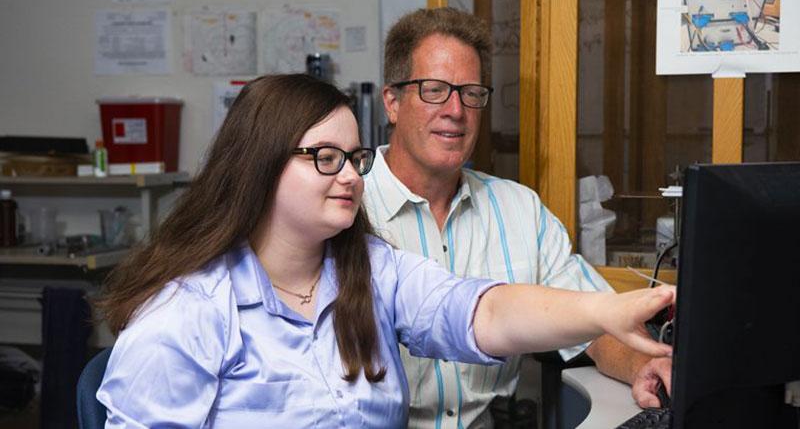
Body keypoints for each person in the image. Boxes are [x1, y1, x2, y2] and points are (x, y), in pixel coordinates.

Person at [93, 74, 673, 428]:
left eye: (354, 157)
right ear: (260, 166)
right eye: (325, 157)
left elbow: (485, 313)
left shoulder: (369, 269)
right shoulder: (188, 311)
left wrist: (604, 311)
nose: (348, 175)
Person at [364, 7, 673, 428]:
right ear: (392, 102)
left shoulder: (518, 210)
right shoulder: (345, 206)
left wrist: (642, 366)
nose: (456, 109)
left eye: (471, 92)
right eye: (434, 89)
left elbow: (595, 324)